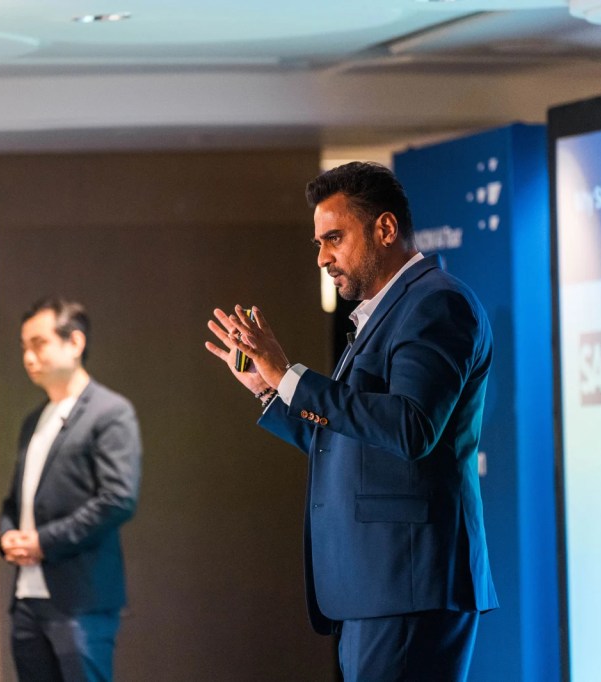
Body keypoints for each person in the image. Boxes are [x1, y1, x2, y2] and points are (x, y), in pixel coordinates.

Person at [205, 162, 497, 681]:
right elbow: (347, 442)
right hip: (374, 589)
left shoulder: (436, 303)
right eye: (319, 243)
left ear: (385, 228)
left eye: (334, 238)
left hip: (409, 586)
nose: (322, 257)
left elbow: (411, 427)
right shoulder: (385, 312)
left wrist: (291, 375)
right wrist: (270, 389)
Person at [0, 297, 141, 682]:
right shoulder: (34, 420)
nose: (28, 357)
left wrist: (43, 542)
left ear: (75, 342)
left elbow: (118, 499)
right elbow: (15, 501)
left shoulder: (110, 412)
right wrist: (6, 535)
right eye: (24, 347)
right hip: (27, 599)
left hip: (81, 599)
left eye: (39, 343)